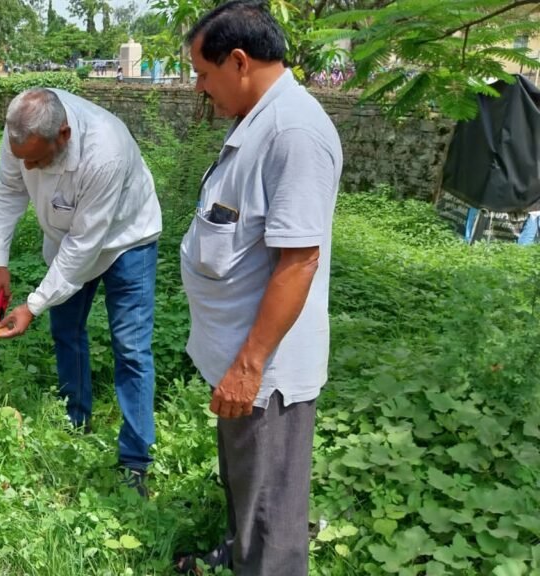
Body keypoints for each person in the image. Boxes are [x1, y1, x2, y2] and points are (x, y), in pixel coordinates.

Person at [174, 1, 343, 574]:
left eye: (203, 73)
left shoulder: (293, 132)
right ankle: (241, 552)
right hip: (242, 358)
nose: (200, 88)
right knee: (247, 482)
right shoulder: (262, 121)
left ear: (239, 61)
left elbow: (299, 261)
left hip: (264, 370)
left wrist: (249, 366)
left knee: (271, 508)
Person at [0, 88, 163, 497]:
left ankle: (135, 459)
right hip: (67, 236)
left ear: (63, 134)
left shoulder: (106, 150)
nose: (28, 166)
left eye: (37, 159)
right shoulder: (21, 129)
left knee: (132, 349)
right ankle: (75, 421)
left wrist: (32, 305)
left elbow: (85, 246)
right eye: (22, 157)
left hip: (126, 239)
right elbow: (8, 192)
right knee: (66, 333)